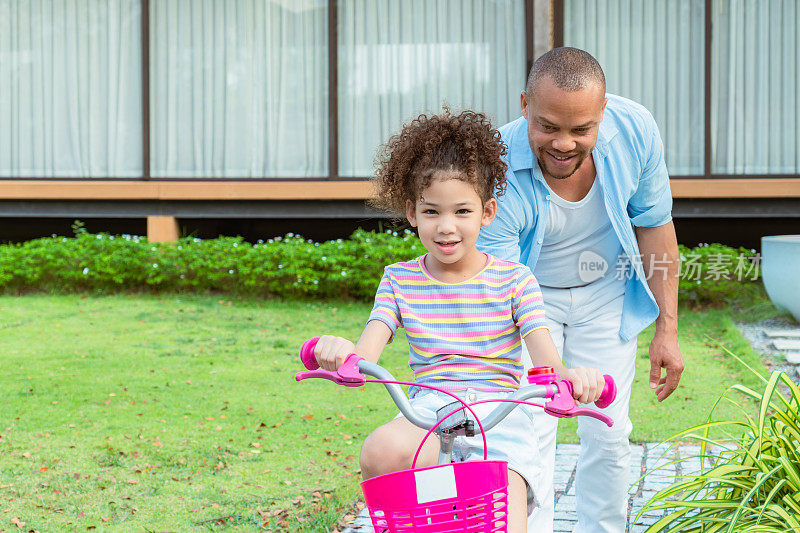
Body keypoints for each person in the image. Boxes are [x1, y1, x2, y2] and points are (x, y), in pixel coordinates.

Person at [310, 108, 606, 532]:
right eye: (432, 212)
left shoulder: (514, 281)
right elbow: (365, 353)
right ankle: (410, 518)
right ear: (411, 212)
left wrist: (573, 380)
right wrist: (341, 354)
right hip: (428, 409)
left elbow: (547, 365)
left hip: (498, 415)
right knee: (381, 451)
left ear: (487, 212)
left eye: (462, 212)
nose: (446, 227)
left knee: (502, 500)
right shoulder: (399, 280)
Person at [476, 47, 684, 532]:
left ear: (603, 111)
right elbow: (503, 284)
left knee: (608, 432)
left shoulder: (635, 132)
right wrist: (557, 369)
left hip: (606, 293)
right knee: (528, 429)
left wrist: (667, 331)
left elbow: (655, 229)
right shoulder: (495, 165)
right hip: (527, 300)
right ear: (525, 103)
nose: (563, 143)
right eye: (548, 126)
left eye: (580, 129)